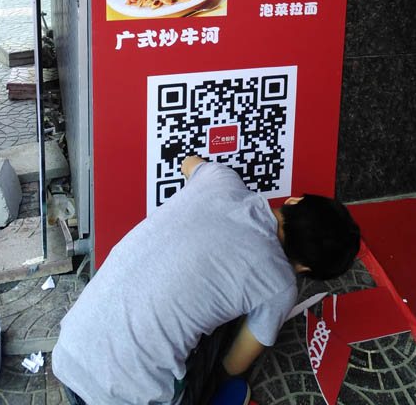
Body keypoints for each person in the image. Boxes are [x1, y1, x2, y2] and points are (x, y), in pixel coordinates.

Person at [52, 156, 361, 405]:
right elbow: (233, 364)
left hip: (68, 356)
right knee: (227, 330)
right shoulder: (281, 285)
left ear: (293, 201)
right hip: (125, 399)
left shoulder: (220, 179)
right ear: (305, 267)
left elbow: (188, 162)